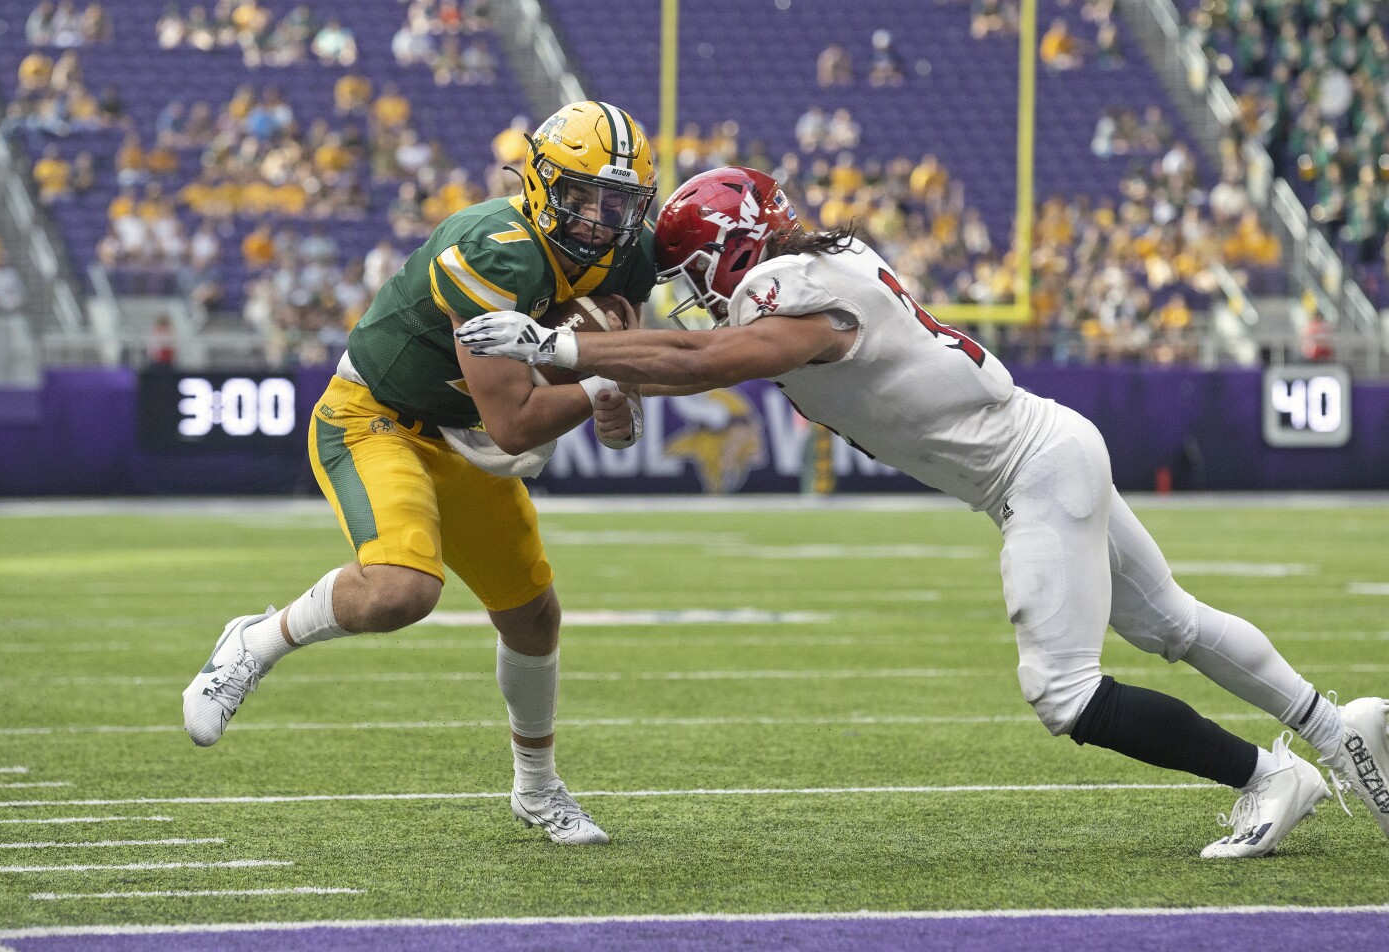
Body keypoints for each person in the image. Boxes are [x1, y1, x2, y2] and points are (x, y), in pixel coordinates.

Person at [457, 166, 1389, 858]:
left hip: (1032, 471)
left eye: (693, 267)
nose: (693, 290)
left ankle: (1270, 776)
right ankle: (1337, 728)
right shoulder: (817, 269)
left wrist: (563, 350)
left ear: (733, 247)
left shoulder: (796, 293)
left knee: (1064, 691)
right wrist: (605, 381)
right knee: (1171, 622)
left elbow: (706, 362)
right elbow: (695, 359)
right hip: (1048, 446)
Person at [181, 102, 660, 846]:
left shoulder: (630, 256)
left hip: (463, 434)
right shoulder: (494, 249)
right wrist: (602, 383)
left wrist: (614, 402)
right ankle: (257, 640)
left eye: (618, 203)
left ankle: (537, 790)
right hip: (376, 416)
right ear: (540, 183)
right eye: (583, 196)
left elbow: (610, 367)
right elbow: (516, 420)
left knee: (533, 615)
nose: (600, 221)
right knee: (402, 590)